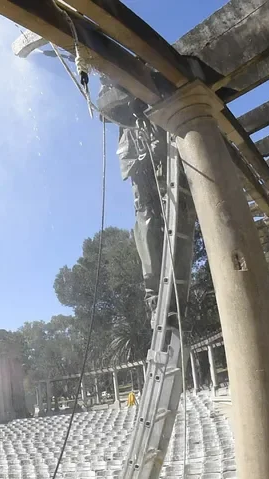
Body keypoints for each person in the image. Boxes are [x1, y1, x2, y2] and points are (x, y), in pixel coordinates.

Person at [95, 82, 196, 317]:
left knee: (181, 214)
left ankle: (178, 295)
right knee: (148, 219)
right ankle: (155, 296)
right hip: (137, 153)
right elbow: (105, 108)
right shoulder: (109, 80)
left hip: (164, 145)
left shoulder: (143, 74)